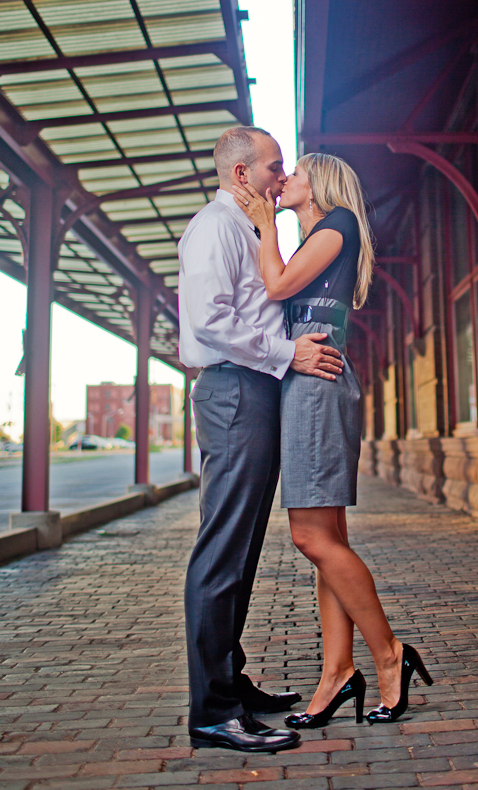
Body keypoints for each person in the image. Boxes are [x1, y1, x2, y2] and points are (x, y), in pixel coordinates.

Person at [232, 152, 433, 728]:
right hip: (308, 382)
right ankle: (336, 674)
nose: (284, 181)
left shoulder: (337, 222)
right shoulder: (316, 236)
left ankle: (390, 656)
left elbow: (274, 287)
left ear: (317, 183)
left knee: (309, 536)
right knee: (327, 540)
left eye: (293, 174)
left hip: (317, 386)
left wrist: (265, 225)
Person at [178, 128, 346, 753]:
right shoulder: (214, 229)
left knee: (243, 548)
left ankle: (230, 682)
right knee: (223, 547)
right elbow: (209, 320)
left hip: (256, 391)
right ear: (243, 173)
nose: (283, 177)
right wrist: (288, 353)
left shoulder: (248, 229)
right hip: (233, 391)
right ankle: (212, 712)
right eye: (276, 167)